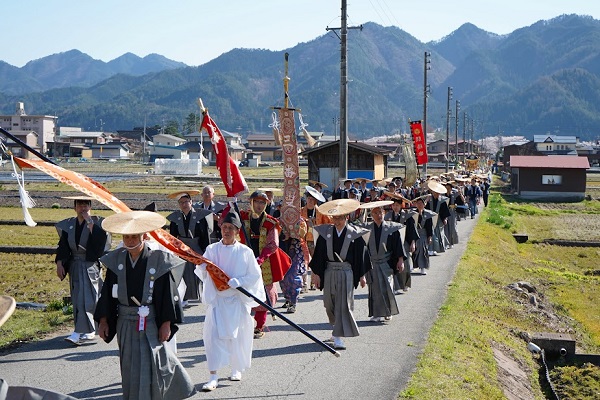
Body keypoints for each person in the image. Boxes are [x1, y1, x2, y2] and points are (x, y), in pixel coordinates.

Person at [94, 211, 195, 400]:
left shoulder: (158, 260)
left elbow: (167, 294)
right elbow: (107, 294)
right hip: (125, 322)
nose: (130, 240)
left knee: (154, 361)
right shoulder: (116, 261)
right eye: (127, 236)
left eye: (134, 236)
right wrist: (104, 320)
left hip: (150, 320)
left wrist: (166, 323)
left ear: (144, 236)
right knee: (128, 363)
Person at [196, 211, 266, 392]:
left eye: (231, 228)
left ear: (237, 231)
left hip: (236, 301)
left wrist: (240, 281)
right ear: (220, 228)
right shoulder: (212, 250)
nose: (226, 231)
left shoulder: (245, 252)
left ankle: (236, 368)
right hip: (218, 302)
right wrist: (202, 268)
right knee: (212, 338)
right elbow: (203, 272)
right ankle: (213, 376)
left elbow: (255, 275)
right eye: (224, 227)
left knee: (237, 338)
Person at [309, 199, 371, 350]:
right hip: (329, 271)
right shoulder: (326, 233)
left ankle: (338, 337)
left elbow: (361, 256)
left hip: (346, 272)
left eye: (340, 218)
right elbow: (318, 255)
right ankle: (336, 327)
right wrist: (316, 274)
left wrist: (362, 276)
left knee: (343, 304)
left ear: (346, 218)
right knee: (329, 303)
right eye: (335, 218)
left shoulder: (354, 234)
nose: (337, 221)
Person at [55, 195, 110, 345]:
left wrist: (90, 223)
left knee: (91, 298)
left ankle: (85, 331)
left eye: (86, 205)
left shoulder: (98, 222)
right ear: (75, 207)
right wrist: (60, 263)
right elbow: (63, 246)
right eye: (80, 205)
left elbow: (101, 243)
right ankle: (83, 330)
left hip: (90, 264)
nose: (83, 208)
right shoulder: (69, 225)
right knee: (78, 298)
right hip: (75, 265)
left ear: (90, 207)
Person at [237, 191, 288, 339]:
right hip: (244, 259)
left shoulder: (271, 222)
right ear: (251, 202)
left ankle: (259, 326)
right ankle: (242, 325)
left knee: (264, 291)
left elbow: (273, 244)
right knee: (243, 291)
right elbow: (225, 224)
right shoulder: (242, 217)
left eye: (262, 203)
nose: (259, 205)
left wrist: (260, 258)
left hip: (263, 261)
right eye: (257, 202)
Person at [363, 201, 406, 322]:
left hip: (386, 262)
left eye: (380, 212)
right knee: (374, 289)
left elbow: (398, 246)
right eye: (375, 213)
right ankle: (377, 314)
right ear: (372, 214)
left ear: (384, 212)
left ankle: (388, 312)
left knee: (387, 287)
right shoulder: (367, 228)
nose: (378, 215)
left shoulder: (392, 228)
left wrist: (400, 260)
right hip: (372, 263)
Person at [166, 190, 211, 306]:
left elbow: (205, 235)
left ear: (191, 202)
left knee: (199, 271)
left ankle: (201, 295)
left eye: (186, 202)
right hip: (181, 247)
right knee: (184, 272)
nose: (184, 204)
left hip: (196, 246)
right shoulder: (175, 217)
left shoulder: (200, 216)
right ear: (179, 205)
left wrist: (206, 251)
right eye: (181, 203)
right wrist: (173, 250)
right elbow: (172, 237)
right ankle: (184, 297)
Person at [384, 192, 418, 293]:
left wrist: (413, 243)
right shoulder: (388, 216)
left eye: (397, 205)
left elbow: (412, 230)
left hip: (404, 243)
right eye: (394, 205)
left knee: (406, 265)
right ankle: (396, 286)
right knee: (394, 264)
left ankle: (405, 284)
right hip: (392, 245)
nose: (395, 207)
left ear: (401, 206)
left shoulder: (407, 216)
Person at [301, 186, 332, 291]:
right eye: (309, 199)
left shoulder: (321, 212)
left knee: (315, 262)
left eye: (312, 199)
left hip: (316, 240)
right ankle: (304, 284)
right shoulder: (301, 211)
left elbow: (329, 224)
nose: (310, 201)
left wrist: (316, 224)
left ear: (315, 201)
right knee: (303, 262)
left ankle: (313, 282)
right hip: (303, 240)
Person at [426, 180, 450, 255]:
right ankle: (431, 249)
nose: (435, 194)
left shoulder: (442, 200)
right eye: (434, 192)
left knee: (438, 234)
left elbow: (445, 211)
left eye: (437, 192)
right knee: (431, 234)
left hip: (439, 219)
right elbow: (425, 208)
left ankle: (437, 248)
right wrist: (426, 200)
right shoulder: (429, 199)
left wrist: (445, 219)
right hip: (430, 218)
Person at [413, 196, 436, 275]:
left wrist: (430, 237)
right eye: (418, 203)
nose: (419, 205)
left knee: (423, 250)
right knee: (414, 251)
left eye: (421, 203)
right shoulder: (413, 214)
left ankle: (422, 268)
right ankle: (413, 266)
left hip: (423, 234)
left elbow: (429, 227)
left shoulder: (428, 214)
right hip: (415, 234)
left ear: (424, 204)